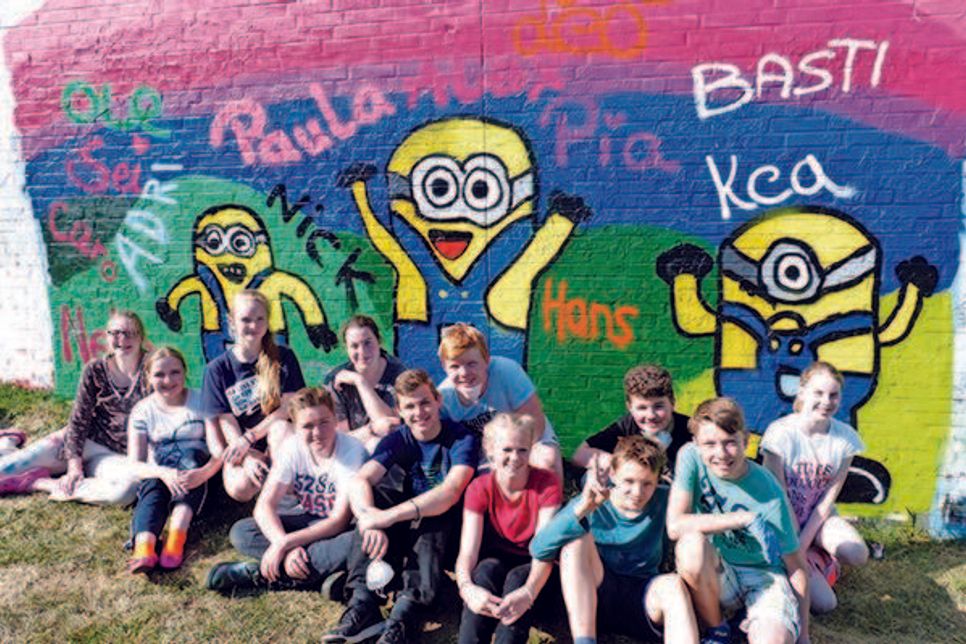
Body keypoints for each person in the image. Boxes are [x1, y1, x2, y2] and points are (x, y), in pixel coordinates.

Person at [324, 369, 479, 644]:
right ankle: (363, 604)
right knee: (376, 497)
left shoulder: (461, 438)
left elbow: (451, 491)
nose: (419, 412)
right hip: (405, 525)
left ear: (438, 401)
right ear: (399, 410)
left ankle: (406, 615)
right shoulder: (399, 438)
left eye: (424, 402)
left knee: (435, 511)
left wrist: (386, 518)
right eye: (410, 406)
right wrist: (368, 518)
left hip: (446, 530)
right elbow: (360, 479)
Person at [668, 397, 809, 644]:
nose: (720, 454)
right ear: (696, 444)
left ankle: (757, 620)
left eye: (730, 443)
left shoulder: (768, 491)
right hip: (719, 571)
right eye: (709, 444)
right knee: (690, 546)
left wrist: (804, 634)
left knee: (772, 640)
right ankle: (718, 629)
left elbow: (796, 566)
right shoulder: (690, 457)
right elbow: (675, 526)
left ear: (745, 441)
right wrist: (743, 519)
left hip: (763, 576)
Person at [531, 436, 698, 644]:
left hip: (643, 594)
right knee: (575, 543)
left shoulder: (665, 499)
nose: (637, 492)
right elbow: (538, 548)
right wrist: (582, 508)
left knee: (673, 585)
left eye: (647, 483)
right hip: (596, 593)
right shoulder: (594, 501)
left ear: (658, 481)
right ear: (613, 474)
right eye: (629, 481)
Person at [207, 386, 368, 594]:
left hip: (338, 529)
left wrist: (284, 544)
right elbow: (264, 505)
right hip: (306, 520)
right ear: (296, 426)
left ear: (335, 420)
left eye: (324, 422)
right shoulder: (292, 447)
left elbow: (339, 520)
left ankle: (264, 577)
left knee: (358, 541)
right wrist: (283, 544)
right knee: (242, 532)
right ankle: (321, 573)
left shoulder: (352, 452)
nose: (318, 433)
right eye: (308, 426)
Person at [0, 309, 148, 504]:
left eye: (131, 333)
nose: (123, 339)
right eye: (116, 333)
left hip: (117, 456)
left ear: (141, 337)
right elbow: (79, 419)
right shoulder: (95, 370)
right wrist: (74, 466)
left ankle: (41, 483)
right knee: (4, 470)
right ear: (107, 336)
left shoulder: (153, 370)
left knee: (126, 493)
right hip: (86, 441)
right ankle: (7, 444)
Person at [760, 362, 869, 614]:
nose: (826, 401)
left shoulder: (846, 439)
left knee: (857, 554)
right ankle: (811, 564)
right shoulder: (780, 435)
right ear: (802, 393)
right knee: (825, 605)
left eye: (833, 395)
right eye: (818, 393)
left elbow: (825, 501)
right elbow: (779, 498)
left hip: (817, 521)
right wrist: (795, 546)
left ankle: (822, 560)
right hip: (780, 522)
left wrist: (803, 545)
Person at [456, 414, 561, 644]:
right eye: (507, 450)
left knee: (517, 578)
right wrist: (467, 589)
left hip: (535, 568)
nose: (515, 457)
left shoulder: (547, 484)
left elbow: (544, 551)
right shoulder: (479, 488)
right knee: (485, 570)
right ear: (490, 451)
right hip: (496, 563)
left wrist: (529, 592)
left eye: (522, 450)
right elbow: (468, 552)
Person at [202, 290, 306, 502]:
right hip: (243, 444)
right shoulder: (217, 369)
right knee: (239, 489)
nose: (254, 325)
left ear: (267, 321)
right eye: (246, 319)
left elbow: (288, 407)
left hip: (278, 439)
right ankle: (269, 479)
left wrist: (251, 437)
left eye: (260, 319)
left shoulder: (283, 356)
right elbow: (226, 422)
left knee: (281, 429)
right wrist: (247, 455)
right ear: (231, 321)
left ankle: (286, 500)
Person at [126, 347, 222, 573]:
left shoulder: (201, 401)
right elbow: (134, 464)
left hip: (198, 475)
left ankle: (175, 539)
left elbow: (220, 450)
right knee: (153, 485)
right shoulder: (142, 411)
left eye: (175, 372)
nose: (168, 380)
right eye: (159, 374)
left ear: (185, 373)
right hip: (163, 474)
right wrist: (162, 473)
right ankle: (144, 548)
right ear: (148, 377)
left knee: (190, 460)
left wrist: (205, 473)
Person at [437, 323, 561, 480]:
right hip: (488, 451)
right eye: (454, 366)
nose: (464, 373)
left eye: (471, 363)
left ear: (486, 359)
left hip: (528, 436)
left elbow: (536, 424)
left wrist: (516, 458)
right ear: (444, 367)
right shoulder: (444, 398)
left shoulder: (507, 371)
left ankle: (554, 503)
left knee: (546, 461)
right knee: (489, 485)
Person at [572, 364, 691, 480]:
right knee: (593, 477)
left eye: (658, 406)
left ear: (672, 403)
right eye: (642, 408)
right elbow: (580, 455)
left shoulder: (691, 428)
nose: (650, 415)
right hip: (633, 493)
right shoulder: (625, 426)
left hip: (675, 492)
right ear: (630, 407)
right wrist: (620, 463)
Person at [324, 315, 406, 452]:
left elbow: (389, 426)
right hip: (351, 451)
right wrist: (371, 430)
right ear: (347, 349)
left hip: (392, 453)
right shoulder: (335, 380)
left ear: (378, 341)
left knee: (377, 443)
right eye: (354, 346)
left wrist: (360, 382)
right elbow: (340, 439)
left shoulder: (398, 375)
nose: (362, 352)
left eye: (368, 343)